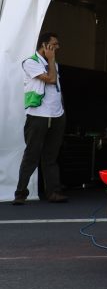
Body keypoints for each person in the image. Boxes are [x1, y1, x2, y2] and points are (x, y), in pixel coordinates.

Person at [13, 32, 69, 205]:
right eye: (54, 44)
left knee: (51, 156)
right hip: (38, 116)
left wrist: (62, 110)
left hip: (56, 115)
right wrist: (51, 60)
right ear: (45, 46)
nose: (57, 47)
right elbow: (51, 80)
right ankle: (20, 193)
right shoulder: (30, 62)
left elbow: (56, 89)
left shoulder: (54, 64)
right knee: (31, 155)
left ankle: (53, 192)